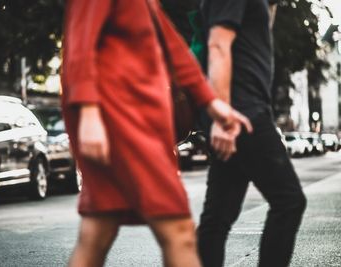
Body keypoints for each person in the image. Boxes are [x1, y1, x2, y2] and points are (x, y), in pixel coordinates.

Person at [60, 0, 251, 266]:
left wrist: (212, 103)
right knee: (178, 231)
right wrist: (89, 113)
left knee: (97, 233)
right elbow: (80, 44)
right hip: (120, 119)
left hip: (131, 118)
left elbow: (174, 50)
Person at [197, 0, 307, 266]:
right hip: (242, 114)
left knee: (217, 219)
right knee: (289, 201)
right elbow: (218, 45)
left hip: (241, 111)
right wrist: (222, 118)